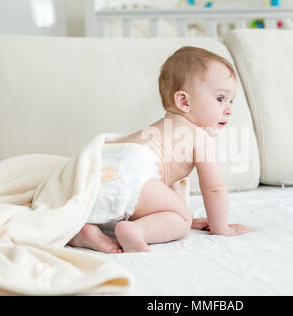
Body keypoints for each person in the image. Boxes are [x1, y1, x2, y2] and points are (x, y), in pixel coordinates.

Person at [68, 46, 254, 253]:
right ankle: (137, 230)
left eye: (231, 101)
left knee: (127, 202)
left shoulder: (160, 128)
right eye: (220, 99)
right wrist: (221, 228)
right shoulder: (198, 136)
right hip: (132, 171)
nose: (228, 109)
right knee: (180, 220)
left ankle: (85, 230)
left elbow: (167, 187)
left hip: (101, 167)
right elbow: (214, 188)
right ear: (184, 101)